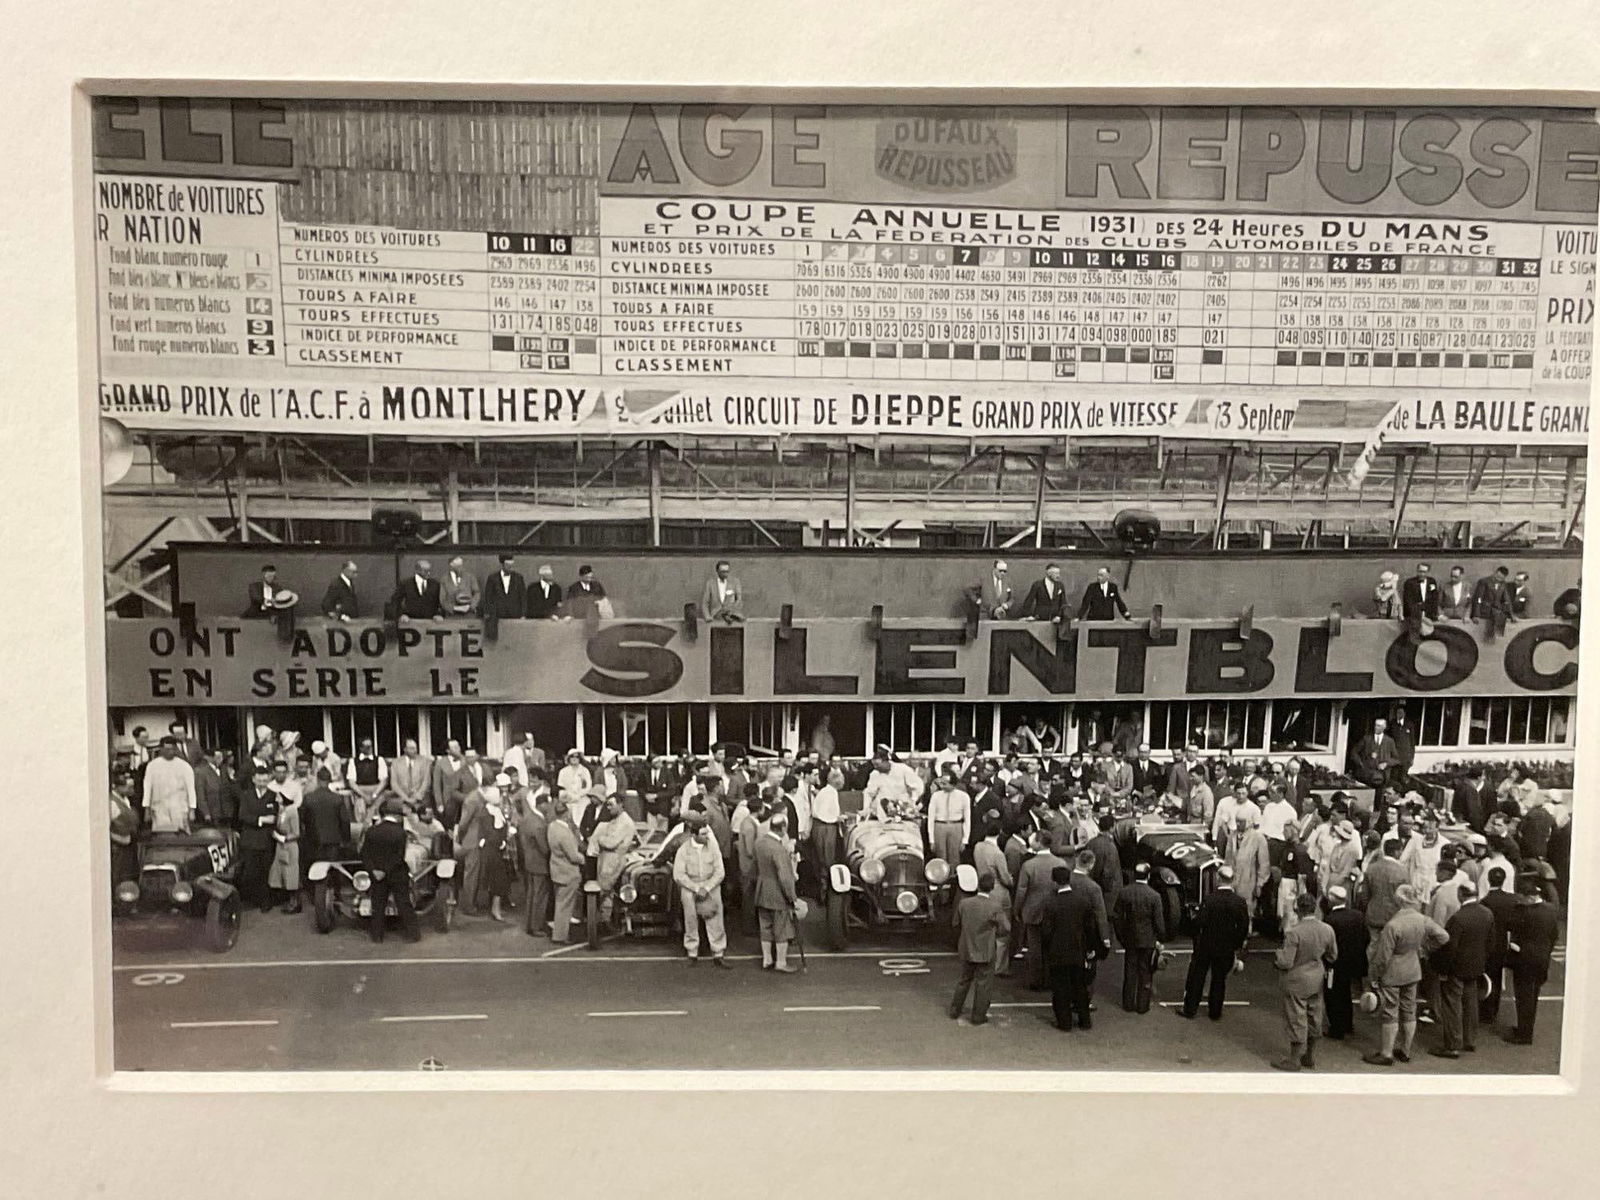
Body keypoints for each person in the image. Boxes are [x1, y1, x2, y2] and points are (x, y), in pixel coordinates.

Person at [1363, 883, 1449, 1066]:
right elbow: (1443, 936)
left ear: (1398, 900)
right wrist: (1424, 949)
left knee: (1390, 1012)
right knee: (1409, 1010)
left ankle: (1387, 1053)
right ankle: (1405, 1050)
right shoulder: (1423, 920)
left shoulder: (1393, 925)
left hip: (1393, 972)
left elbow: (1383, 957)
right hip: (1413, 968)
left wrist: (1374, 976)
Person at [1272, 892, 1338, 1071]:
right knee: (1314, 1016)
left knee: (1296, 1017)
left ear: (1298, 910)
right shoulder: (1327, 929)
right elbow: (1332, 955)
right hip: (1316, 978)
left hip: (1296, 980)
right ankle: (1309, 1055)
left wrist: (1277, 956)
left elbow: (1286, 961)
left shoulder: (1294, 933)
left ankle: (1294, 1059)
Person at [1176, 865, 1251, 1020]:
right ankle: (1215, 1011)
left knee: (1198, 977)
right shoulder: (1239, 902)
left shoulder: (1210, 900)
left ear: (1218, 879)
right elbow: (1243, 927)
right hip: (1226, 947)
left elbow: (1200, 922)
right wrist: (1235, 944)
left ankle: (1190, 1008)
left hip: (1207, 945)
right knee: (1219, 979)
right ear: (1233, 880)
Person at [1432, 883, 1494, 1058]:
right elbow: (1491, 942)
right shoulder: (1487, 914)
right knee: (1471, 1003)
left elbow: (1450, 947)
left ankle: (1452, 1044)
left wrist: (1442, 968)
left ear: (1461, 895)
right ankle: (1470, 1040)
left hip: (1456, 968)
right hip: (1476, 967)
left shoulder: (1458, 918)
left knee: (1452, 1005)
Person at [1040, 866, 1105, 1032]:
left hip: (1058, 952)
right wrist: (1091, 948)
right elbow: (1090, 927)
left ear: (1055, 881)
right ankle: (1085, 1020)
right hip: (1078, 950)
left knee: (1060, 989)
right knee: (1080, 987)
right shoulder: (1082, 901)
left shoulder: (1050, 903)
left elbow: (1046, 931)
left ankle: (1065, 1022)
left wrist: (1046, 949)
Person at [1504, 875, 1560, 1046]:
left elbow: (1511, 927)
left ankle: (1524, 1033)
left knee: (1523, 998)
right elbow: (1554, 935)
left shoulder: (1525, 913)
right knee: (1533, 996)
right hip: (1542, 959)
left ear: (1528, 897)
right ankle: (1526, 1029)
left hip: (1524, 961)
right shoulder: (1551, 910)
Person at [950, 871, 1010, 1025]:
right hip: (985, 949)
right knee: (983, 984)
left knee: (964, 980)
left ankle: (955, 1009)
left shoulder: (964, 903)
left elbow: (955, 923)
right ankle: (978, 1016)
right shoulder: (994, 906)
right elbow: (1006, 927)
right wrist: (995, 933)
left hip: (966, 947)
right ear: (992, 888)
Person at [360, 799, 421, 943]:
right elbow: (398, 857)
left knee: (378, 904)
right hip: (396, 874)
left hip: (376, 874)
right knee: (404, 903)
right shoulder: (400, 833)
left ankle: (377, 935)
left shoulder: (372, 831)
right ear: (398, 817)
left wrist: (374, 870)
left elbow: (364, 854)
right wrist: (385, 870)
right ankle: (413, 934)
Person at [673, 813, 729, 967]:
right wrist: (696, 888)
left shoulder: (713, 847)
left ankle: (718, 954)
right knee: (690, 920)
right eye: (703, 834)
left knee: (716, 920)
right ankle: (692, 953)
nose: (707, 837)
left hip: (711, 887)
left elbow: (720, 872)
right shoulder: (683, 850)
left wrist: (707, 887)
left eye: (707, 833)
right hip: (690, 888)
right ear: (694, 834)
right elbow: (678, 874)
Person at [1013, 831, 1068, 990]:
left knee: (1035, 948)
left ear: (1039, 842)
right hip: (1055, 910)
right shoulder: (1060, 863)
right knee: (1052, 947)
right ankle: (1051, 979)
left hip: (1032, 911)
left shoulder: (1029, 865)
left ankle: (1036, 980)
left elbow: (1021, 891)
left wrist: (1017, 910)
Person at [1110, 862, 1166, 1014]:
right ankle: (1142, 1005)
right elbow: (1159, 922)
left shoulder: (1124, 893)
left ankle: (1128, 1003)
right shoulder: (1154, 896)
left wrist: (1121, 936)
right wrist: (1160, 938)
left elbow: (1117, 917)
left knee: (1130, 972)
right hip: (1148, 940)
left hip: (1130, 938)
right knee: (1146, 973)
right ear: (1148, 876)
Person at [755, 811, 800, 973]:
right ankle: (781, 962)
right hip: (777, 893)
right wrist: (792, 897)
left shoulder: (759, 843)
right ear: (782, 828)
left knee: (765, 926)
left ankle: (767, 959)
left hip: (761, 890)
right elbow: (785, 877)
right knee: (782, 929)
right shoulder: (779, 849)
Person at [1323, 886, 1369, 1041]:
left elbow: (1327, 944)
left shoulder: (1330, 919)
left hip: (1335, 965)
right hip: (1353, 962)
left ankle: (1337, 1028)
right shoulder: (1358, 916)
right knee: (1346, 993)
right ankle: (1348, 1024)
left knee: (1333, 995)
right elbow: (1366, 937)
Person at [589, 793, 639, 926]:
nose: (608, 807)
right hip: (606, 859)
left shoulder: (625, 822)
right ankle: (605, 920)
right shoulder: (615, 819)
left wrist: (599, 838)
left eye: (611, 804)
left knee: (605, 891)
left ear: (621, 805)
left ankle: (604, 921)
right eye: (607, 804)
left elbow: (611, 843)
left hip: (614, 860)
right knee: (605, 893)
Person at [236, 764, 280, 912]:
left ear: (269, 779)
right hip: (249, 840)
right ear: (254, 780)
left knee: (266, 871)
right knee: (250, 871)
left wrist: (267, 820)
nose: (262, 782)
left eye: (265, 780)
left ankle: (265, 901)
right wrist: (261, 819)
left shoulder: (274, 795)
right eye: (259, 779)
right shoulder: (246, 795)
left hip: (267, 840)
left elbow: (274, 817)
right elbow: (243, 816)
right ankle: (251, 899)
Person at [513, 780, 552, 937]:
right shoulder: (539, 824)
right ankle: (536, 927)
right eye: (548, 805)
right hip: (539, 864)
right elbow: (544, 848)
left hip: (529, 862)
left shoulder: (527, 820)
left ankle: (530, 924)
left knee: (531, 895)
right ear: (542, 805)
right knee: (540, 896)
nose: (549, 808)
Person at [546, 798, 585, 944]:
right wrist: (584, 859)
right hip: (568, 873)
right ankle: (560, 935)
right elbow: (574, 856)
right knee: (565, 906)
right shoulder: (565, 834)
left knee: (560, 903)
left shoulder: (552, 827)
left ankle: (559, 932)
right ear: (567, 814)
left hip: (556, 870)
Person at [141, 736, 197, 834]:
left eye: (172, 749)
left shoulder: (184, 766)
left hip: (179, 807)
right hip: (159, 807)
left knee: (181, 834)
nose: (170, 751)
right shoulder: (152, 766)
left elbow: (191, 789)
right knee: (162, 835)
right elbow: (147, 788)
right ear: (161, 749)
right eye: (167, 749)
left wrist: (192, 809)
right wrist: (147, 809)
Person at [1226, 815, 1271, 931]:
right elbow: (1228, 858)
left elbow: (1264, 863)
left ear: (1249, 822)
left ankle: (1246, 932)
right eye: (1237, 821)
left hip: (1250, 878)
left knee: (1247, 907)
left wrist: (1260, 883)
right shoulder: (1233, 836)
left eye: (1241, 821)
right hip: (1233, 879)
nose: (1238, 824)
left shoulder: (1258, 838)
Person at [301, 767, 351, 869]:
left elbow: (302, 819)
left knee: (314, 871)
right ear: (329, 781)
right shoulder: (337, 799)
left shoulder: (308, 798)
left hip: (313, 840)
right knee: (333, 871)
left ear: (317, 780)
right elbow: (345, 821)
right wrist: (346, 840)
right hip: (333, 841)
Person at [1361, 837, 1409, 938]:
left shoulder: (1371, 868)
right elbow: (1405, 898)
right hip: (1394, 916)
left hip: (1374, 914)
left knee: (1373, 945)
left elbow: (1364, 895)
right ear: (1397, 851)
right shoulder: (1403, 872)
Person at [267, 778, 302, 914]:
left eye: (278, 796)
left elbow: (296, 833)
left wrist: (281, 837)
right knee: (281, 874)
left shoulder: (292, 811)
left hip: (290, 847)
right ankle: (288, 900)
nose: (276, 798)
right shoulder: (282, 811)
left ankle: (295, 902)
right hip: (281, 847)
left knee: (291, 875)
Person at [862, 748, 925, 821]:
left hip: (903, 809)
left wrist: (913, 801)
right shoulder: (874, 774)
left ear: (886, 762)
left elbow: (917, 786)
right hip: (883, 812)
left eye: (878, 764)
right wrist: (866, 809)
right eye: (874, 765)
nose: (876, 767)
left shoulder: (903, 769)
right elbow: (869, 793)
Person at [925, 769, 971, 868]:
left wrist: (965, 840)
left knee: (955, 857)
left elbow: (967, 820)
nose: (942, 786)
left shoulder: (964, 796)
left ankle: (953, 879)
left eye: (945, 784)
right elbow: (931, 818)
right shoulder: (936, 796)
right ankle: (941, 879)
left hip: (956, 826)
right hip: (939, 826)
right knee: (940, 856)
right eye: (941, 783)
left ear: (953, 784)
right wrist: (931, 839)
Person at [345, 737, 388, 825]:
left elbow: (384, 780)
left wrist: (374, 794)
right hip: (360, 790)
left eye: (370, 746)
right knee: (360, 808)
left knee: (376, 808)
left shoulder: (379, 760)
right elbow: (351, 782)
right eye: (367, 746)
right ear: (361, 748)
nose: (370, 748)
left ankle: (376, 828)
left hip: (377, 790)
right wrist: (364, 795)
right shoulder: (353, 761)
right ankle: (363, 829)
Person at [1349, 718, 1399, 790]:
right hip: (1367, 775)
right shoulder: (1366, 739)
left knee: (1380, 797)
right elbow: (1354, 752)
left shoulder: (1389, 741)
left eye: (1378, 726)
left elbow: (1396, 759)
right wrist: (1361, 764)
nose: (1376, 727)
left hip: (1382, 776)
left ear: (1384, 727)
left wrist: (1386, 764)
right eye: (1375, 725)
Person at [109, 773, 140, 884]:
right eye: (128, 787)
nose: (132, 790)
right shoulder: (112, 803)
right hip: (119, 846)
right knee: (119, 874)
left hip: (130, 843)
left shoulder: (126, 800)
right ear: (117, 787)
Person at [389, 739, 432, 814]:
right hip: (402, 799)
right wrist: (406, 799)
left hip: (420, 799)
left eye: (415, 748)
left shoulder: (425, 761)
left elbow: (426, 782)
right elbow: (394, 784)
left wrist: (416, 797)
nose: (415, 750)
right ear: (405, 749)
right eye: (412, 748)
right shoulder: (396, 763)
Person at [480, 553, 527, 620]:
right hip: (497, 616)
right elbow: (488, 597)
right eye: (508, 565)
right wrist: (487, 613)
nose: (510, 567)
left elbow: (523, 597)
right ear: (502, 565)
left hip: (515, 615)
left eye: (511, 565)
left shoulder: (519, 578)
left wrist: (523, 614)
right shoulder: (492, 578)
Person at [1471, 565, 1513, 638]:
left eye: (1501, 578)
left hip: (1497, 613)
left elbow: (1507, 600)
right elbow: (1478, 598)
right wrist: (1476, 615)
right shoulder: (1484, 581)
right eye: (1497, 576)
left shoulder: (1503, 584)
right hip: (1484, 612)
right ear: (1495, 573)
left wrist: (1511, 615)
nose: (1498, 579)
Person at [700, 558, 746, 623]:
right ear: (717, 571)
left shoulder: (735, 582)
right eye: (723, 572)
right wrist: (707, 617)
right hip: (715, 616)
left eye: (727, 571)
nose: (725, 574)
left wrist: (732, 610)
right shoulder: (710, 583)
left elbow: (739, 600)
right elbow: (705, 602)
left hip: (732, 617)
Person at [1399, 562, 1440, 634]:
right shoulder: (1409, 582)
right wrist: (1419, 613)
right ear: (1417, 571)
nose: (1422, 574)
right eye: (1420, 571)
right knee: (1414, 637)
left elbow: (1434, 599)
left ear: (1428, 572)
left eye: (1424, 572)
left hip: (1429, 617)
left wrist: (1433, 614)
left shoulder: (1432, 581)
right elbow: (1408, 602)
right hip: (1414, 617)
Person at [1453, 766, 1494, 833]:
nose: (1484, 778)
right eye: (1483, 775)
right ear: (1478, 778)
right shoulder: (1470, 790)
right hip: (1470, 828)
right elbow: (1474, 813)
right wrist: (1480, 830)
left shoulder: (1461, 786)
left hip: (1462, 823)